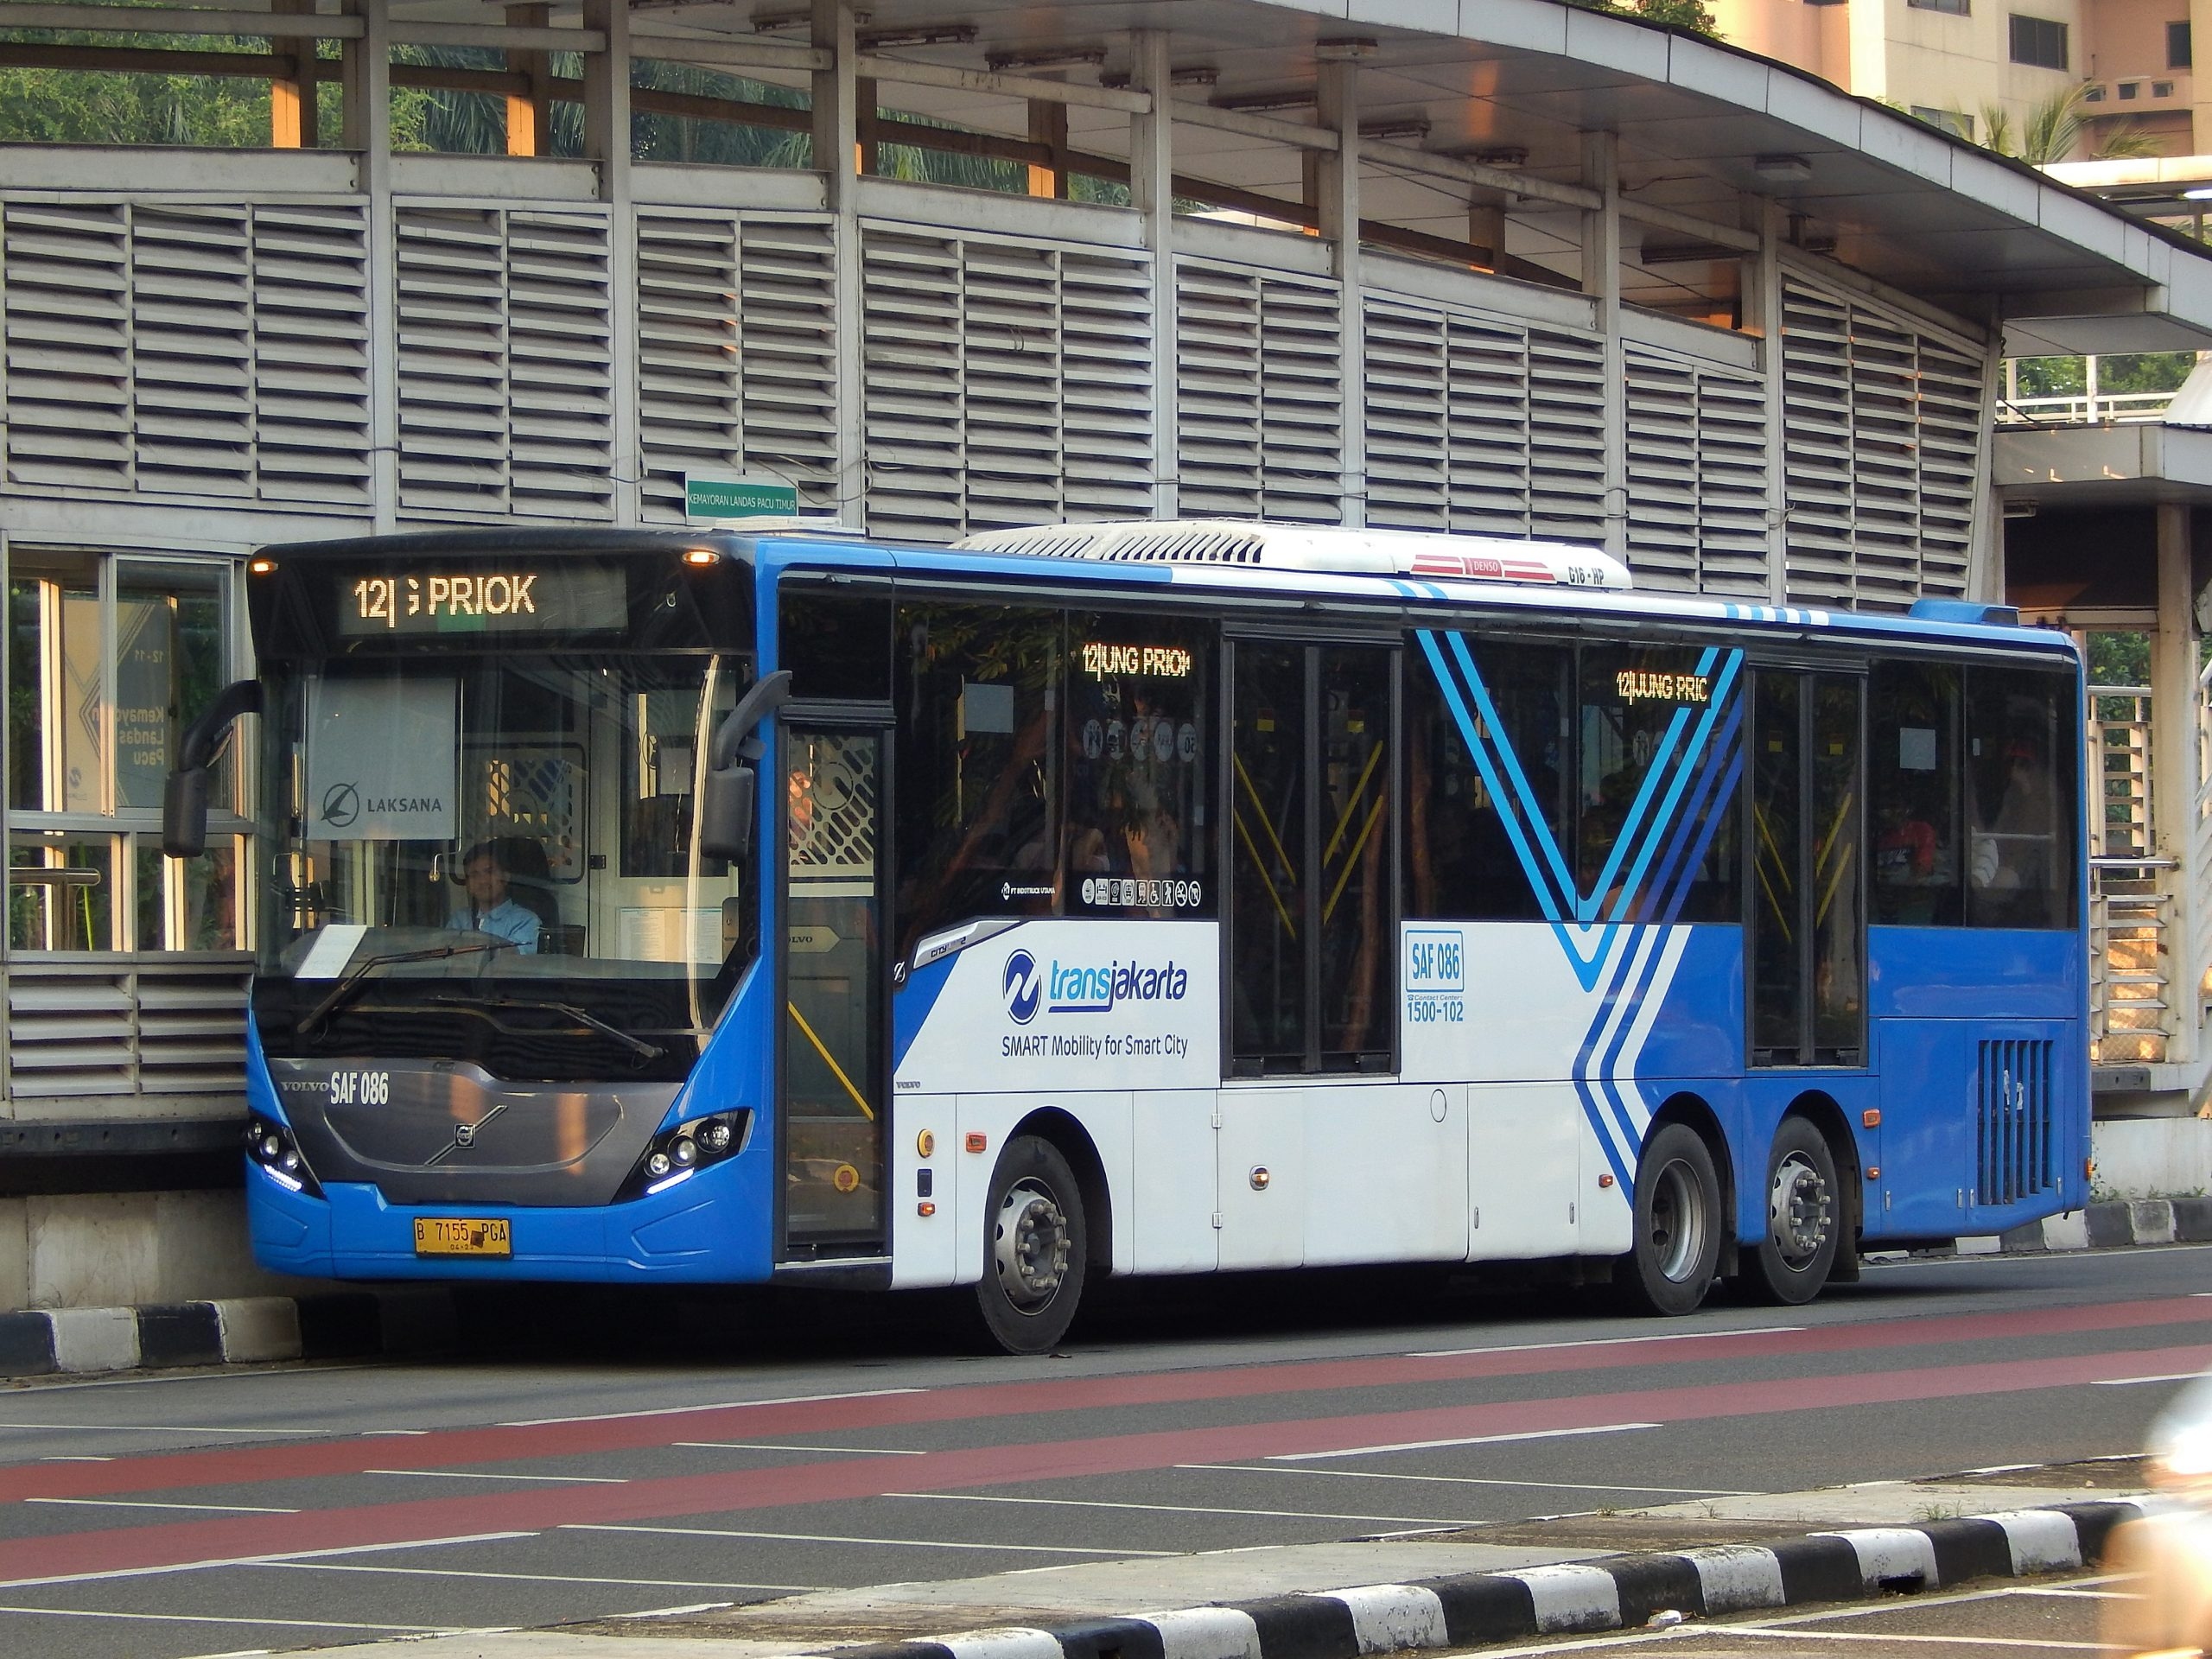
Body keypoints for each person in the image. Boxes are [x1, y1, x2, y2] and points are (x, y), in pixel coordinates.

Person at [449, 841, 539, 953]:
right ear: (467, 884)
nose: (482, 881)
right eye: (474, 874)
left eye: (489, 872)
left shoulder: (525, 921)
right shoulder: (459, 919)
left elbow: (511, 963)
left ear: (505, 877)